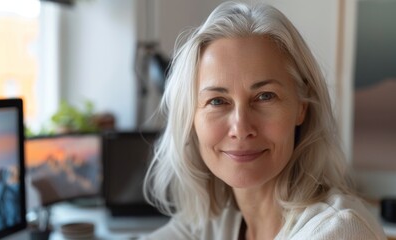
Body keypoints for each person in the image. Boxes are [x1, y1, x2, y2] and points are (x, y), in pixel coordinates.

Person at [141, 2, 387, 240]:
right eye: (217, 101)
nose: (241, 128)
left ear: (301, 106)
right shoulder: (211, 224)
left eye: (265, 96)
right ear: (190, 118)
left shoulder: (340, 230)